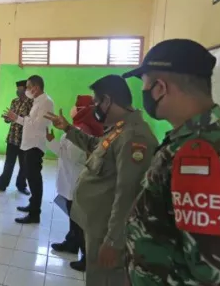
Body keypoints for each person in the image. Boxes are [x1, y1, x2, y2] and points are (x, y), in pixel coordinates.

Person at [123, 39, 220, 285]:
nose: (144, 93)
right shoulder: (194, 138)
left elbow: (218, 276)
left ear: (159, 88)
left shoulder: (199, 155)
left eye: (145, 84)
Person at [45, 75, 157, 286]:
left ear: (107, 101)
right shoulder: (119, 130)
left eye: (96, 102)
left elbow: (128, 194)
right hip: (98, 226)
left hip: (108, 231)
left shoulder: (134, 137)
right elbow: (96, 146)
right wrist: (68, 129)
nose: (94, 108)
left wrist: (114, 240)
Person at [48, 95, 104, 272]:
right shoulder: (78, 128)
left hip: (76, 180)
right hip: (68, 178)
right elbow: (64, 153)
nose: (73, 109)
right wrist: (52, 141)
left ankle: (86, 257)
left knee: (80, 221)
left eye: (77, 107)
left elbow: (72, 156)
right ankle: (71, 243)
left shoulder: (84, 130)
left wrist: (59, 142)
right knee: (73, 217)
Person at [4, 75, 54, 224]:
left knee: (34, 180)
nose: (26, 90)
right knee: (31, 179)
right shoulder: (37, 101)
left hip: (35, 145)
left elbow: (37, 125)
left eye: (27, 86)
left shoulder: (46, 102)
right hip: (28, 144)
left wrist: (17, 118)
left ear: (36, 88)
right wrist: (17, 118)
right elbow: (31, 121)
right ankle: (32, 206)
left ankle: (34, 214)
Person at [0, 80, 33, 195]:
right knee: (9, 163)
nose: (18, 91)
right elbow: (10, 118)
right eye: (17, 89)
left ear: (26, 90)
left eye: (21, 89)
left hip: (25, 138)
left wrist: (16, 117)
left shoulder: (31, 103)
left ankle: (21, 186)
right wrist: (7, 117)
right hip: (13, 137)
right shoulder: (15, 101)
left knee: (24, 165)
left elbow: (31, 121)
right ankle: (2, 184)